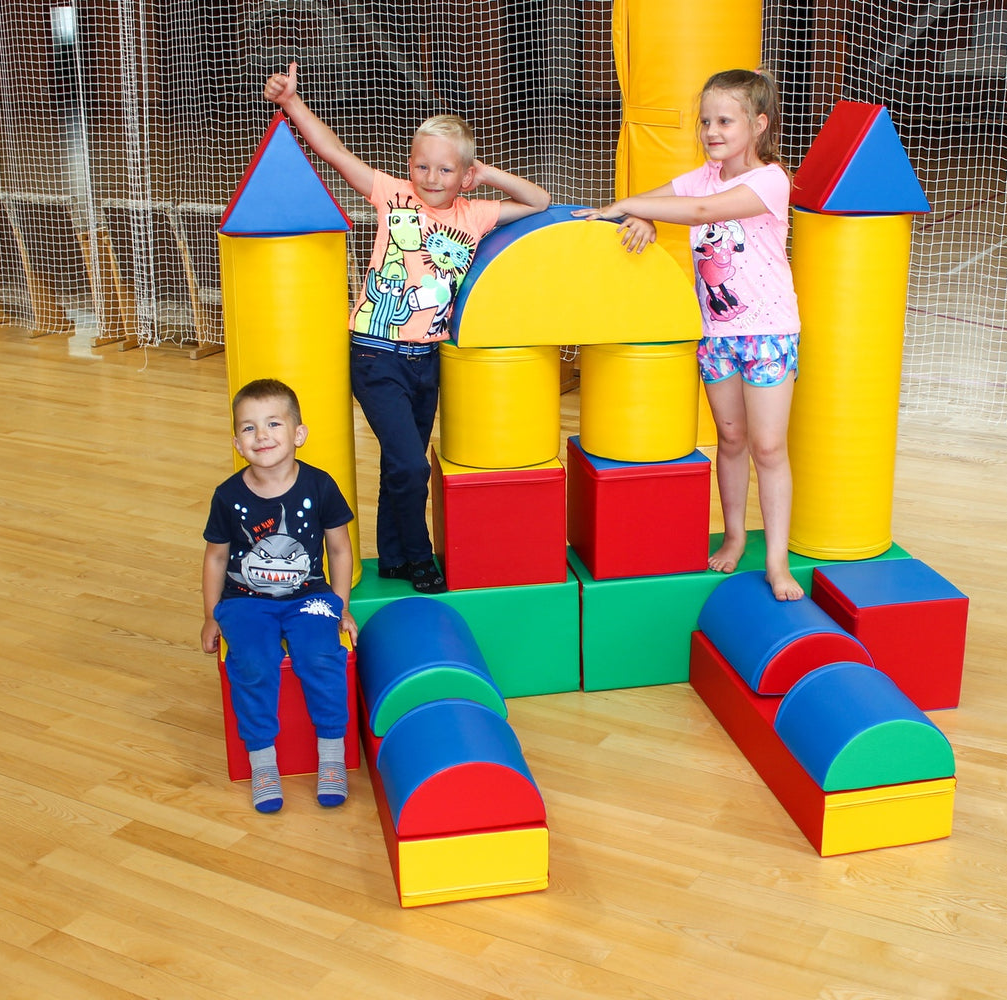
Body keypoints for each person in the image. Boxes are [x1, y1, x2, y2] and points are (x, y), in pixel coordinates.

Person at [264, 62, 552, 594]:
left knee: (401, 466)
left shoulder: (477, 212)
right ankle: (420, 560)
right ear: (410, 166)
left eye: (445, 171)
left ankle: (393, 555)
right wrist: (292, 105)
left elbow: (539, 202)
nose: (431, 179)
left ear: (463, 176)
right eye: (422, 166)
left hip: (428, 362)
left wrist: (484, 174)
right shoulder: (391, 194)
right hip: (376, 354)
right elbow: (334, 154)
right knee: (411, 467)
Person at [575, 68, 803, 600]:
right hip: (717, 335)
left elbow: (699, 212)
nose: (711, 131)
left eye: (724, 120)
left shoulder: (770, 180)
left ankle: (777, 561)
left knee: (768, 447)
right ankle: (733, 537)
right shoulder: (701, 176)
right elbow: (668, 200)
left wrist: (632, 207)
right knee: (729, 438)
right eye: (704, 121)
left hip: (768, 332)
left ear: (758, 124)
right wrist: (646, 218)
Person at [201, 378, 360, 813]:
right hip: (244, 601)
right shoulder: (228, 496)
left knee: (321, 657)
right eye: (249, 428)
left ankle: (331, 755)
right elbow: (215, 558)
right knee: (252, 662)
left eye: (273, 423)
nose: (262, 435)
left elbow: (340, 549)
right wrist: (212, 614)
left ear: (298, 434)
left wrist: (340, 606)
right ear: (237, 441)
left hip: (309, 595)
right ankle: (263, 762)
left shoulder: (319, 485)